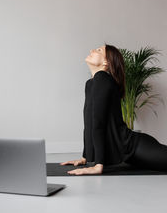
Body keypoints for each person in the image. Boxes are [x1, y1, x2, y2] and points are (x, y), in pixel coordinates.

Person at [60, 43, 167, 175]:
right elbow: (89, 122)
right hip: (130, 152)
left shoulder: (103, 79)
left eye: (98, 50)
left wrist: (98, 165)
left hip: (135, 146)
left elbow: (99, 123)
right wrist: (85, 157)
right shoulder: (91, 83)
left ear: (106, 62)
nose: (92, 50)